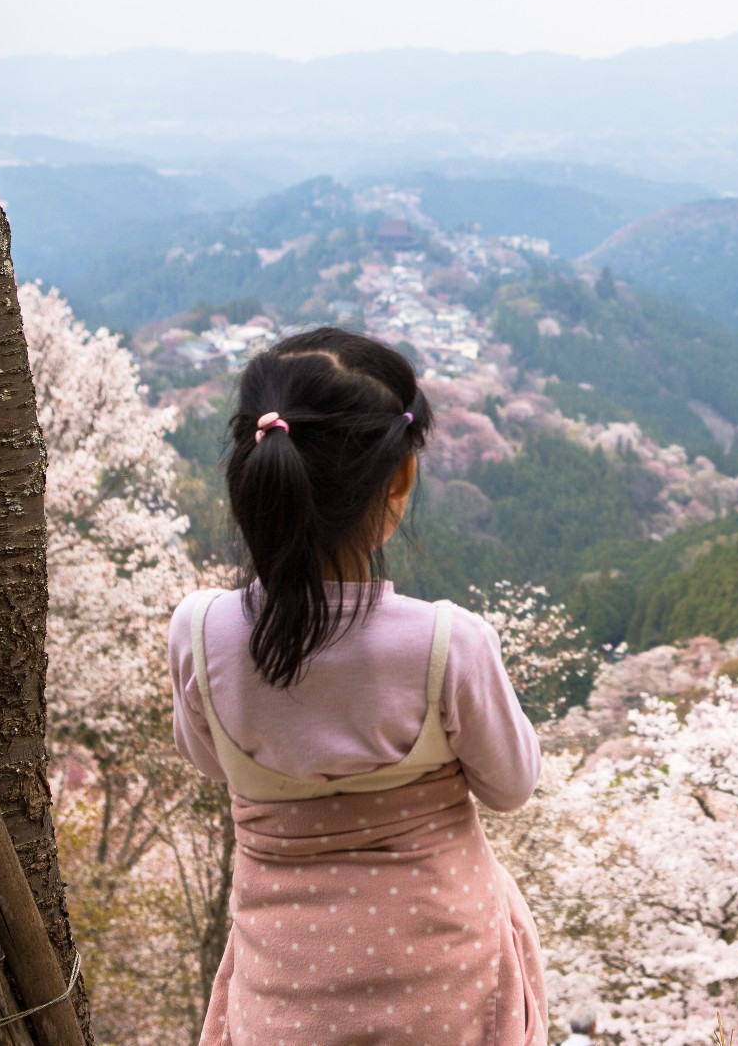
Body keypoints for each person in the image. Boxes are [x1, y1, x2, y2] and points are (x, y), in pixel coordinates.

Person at [169, 329, 547, 1045]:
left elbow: (211, 758)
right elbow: (512, 784)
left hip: (287, 978)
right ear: (398, 481)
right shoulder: (445, 643)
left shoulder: (198, 631)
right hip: (443, 970)